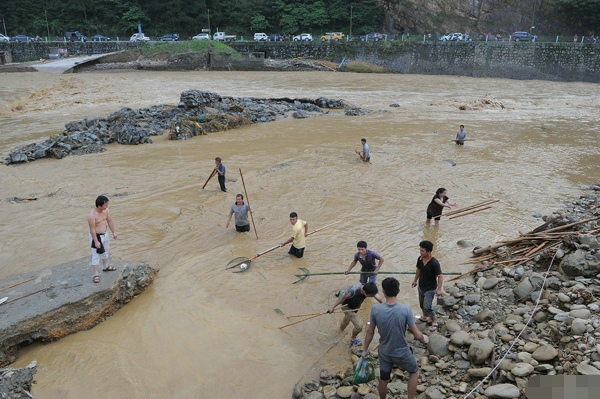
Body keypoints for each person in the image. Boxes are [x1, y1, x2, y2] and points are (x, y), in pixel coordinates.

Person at [362, 277, 429, 399]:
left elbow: (370, 331)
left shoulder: (376, 309)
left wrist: (365, 350)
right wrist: (424, 338)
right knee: (414, 371)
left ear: (383, 291)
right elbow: (416, 334)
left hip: (385, 352)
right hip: (402, 352)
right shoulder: (405, 309)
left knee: (384, 378)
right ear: (398, 291)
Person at [411, 240, 444, 331]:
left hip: (430, 288)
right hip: (421, 286)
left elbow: (440, 276)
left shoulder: (434, 263)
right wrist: (415, 280)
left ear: (429, 252)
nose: (420, 252)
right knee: (421, 305)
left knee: (427, 306)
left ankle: (434, 321)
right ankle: (425, 317)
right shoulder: (420, 259)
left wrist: (439, 289)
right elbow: (418, 270)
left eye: (422, 251)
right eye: (420, 250)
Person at [87, 195, 118, 283]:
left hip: (105, 233)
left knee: (106, 250)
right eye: (105, 205)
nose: (107, 207)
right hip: (96, 236)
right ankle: (96, 274)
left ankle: (105, 266)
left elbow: (109, 221)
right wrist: (96, 241)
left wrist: (114, 232)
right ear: (99, 206)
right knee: (96, 255)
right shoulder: (92, 215)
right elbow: (92, 229)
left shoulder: (106, 211)